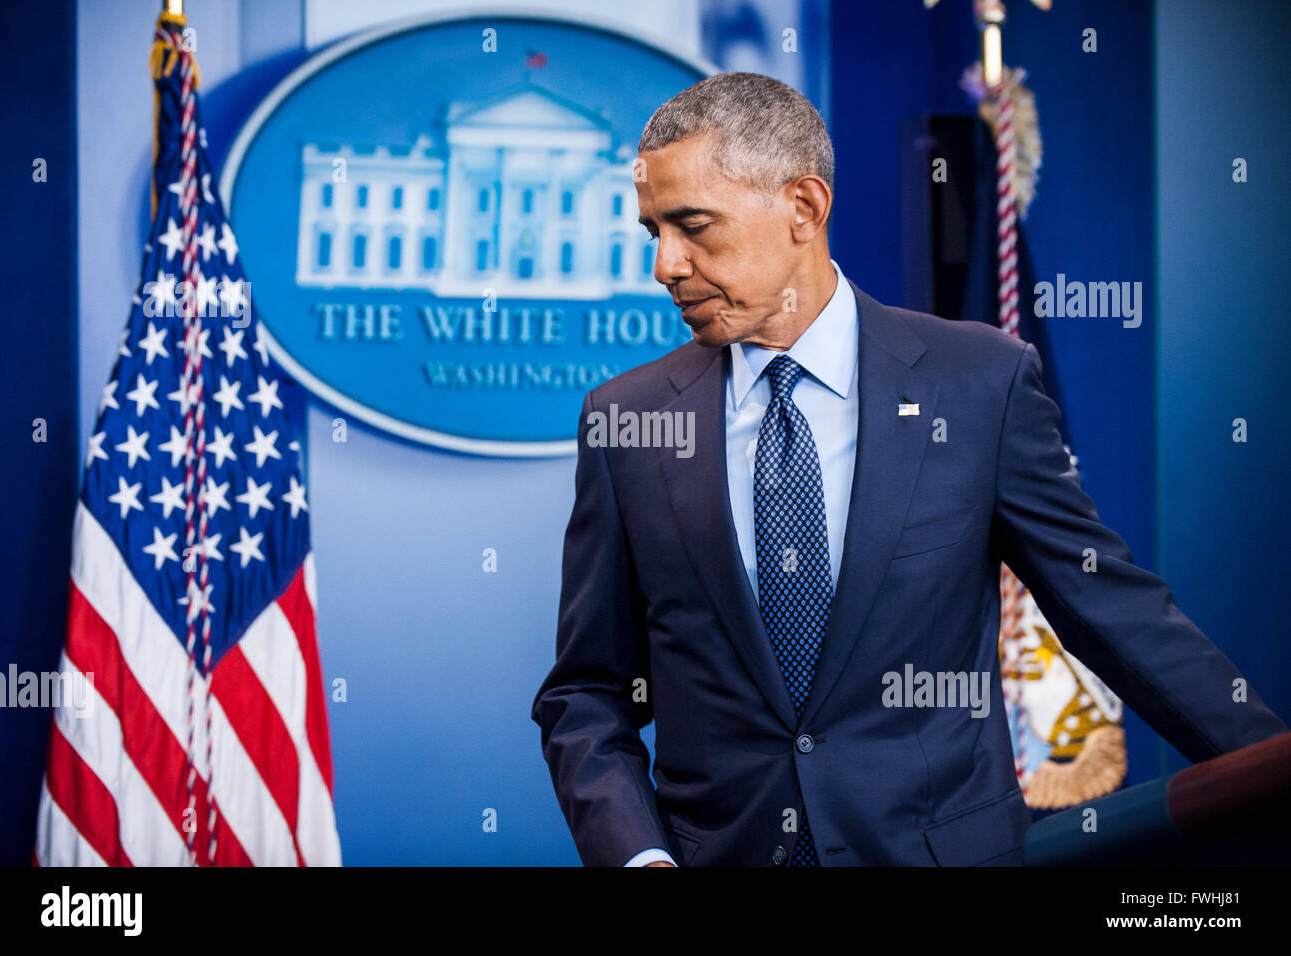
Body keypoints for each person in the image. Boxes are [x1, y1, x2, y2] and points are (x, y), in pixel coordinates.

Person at [530, 72, 1287, 867]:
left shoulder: (980, 383)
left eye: (692, 227)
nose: (665, 265)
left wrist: (1272, 774)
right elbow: (585, 693)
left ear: (804, 208)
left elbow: (1112, 610)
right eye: (653, 230)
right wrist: (640, 861)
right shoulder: (628, 421)